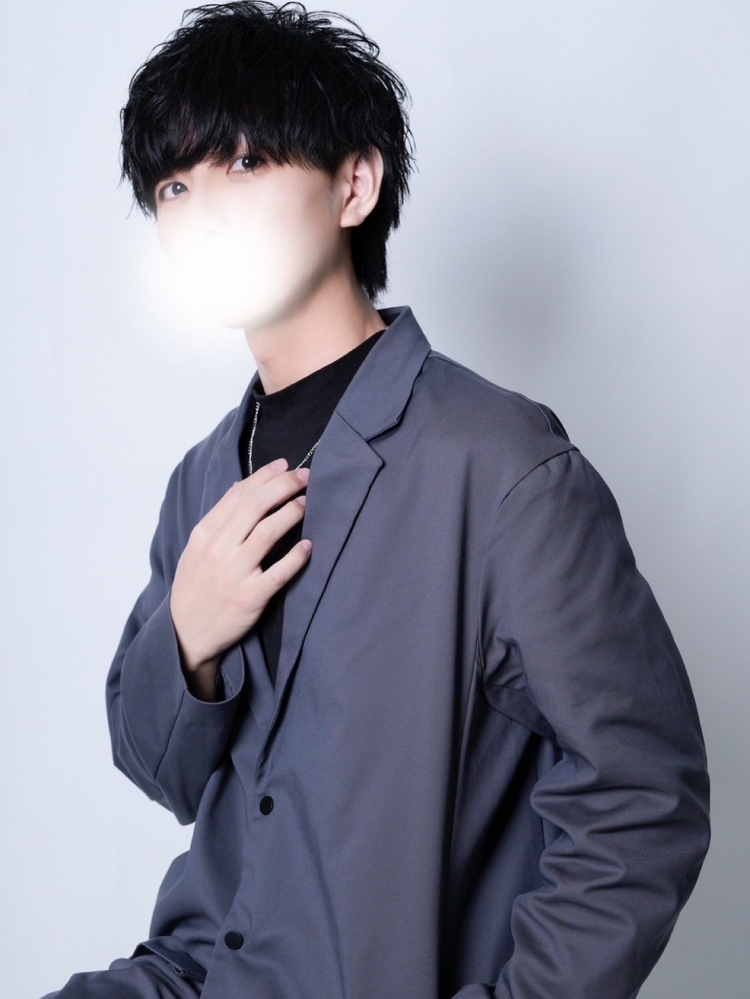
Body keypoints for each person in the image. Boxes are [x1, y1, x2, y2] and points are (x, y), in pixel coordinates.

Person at [41, 2, 711, 997]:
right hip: (191, 975)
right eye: (174, 184)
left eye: (244, 163)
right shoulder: (204, 476)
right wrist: (187, 640)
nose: (200, 213)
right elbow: (159, 770)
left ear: (354, 184)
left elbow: (644, 793)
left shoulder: (498, 464)